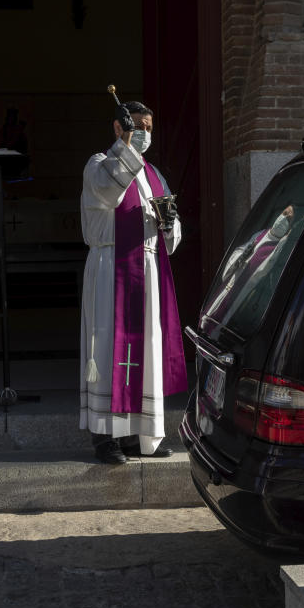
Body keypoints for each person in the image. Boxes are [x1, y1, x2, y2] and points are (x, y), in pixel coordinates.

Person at [79, 100, 186, 464]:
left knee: (146, 349)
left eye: (149, 128)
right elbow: (107, 190)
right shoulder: (99, 164)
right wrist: (126, 147)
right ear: (118, 127)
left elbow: (171, 226)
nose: (145, 134)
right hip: (112, 269)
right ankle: (105, 438)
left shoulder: (154, 174)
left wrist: (169, 224)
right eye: (138, 125)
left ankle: (138, 437)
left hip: (147, 270)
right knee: (109, 348)